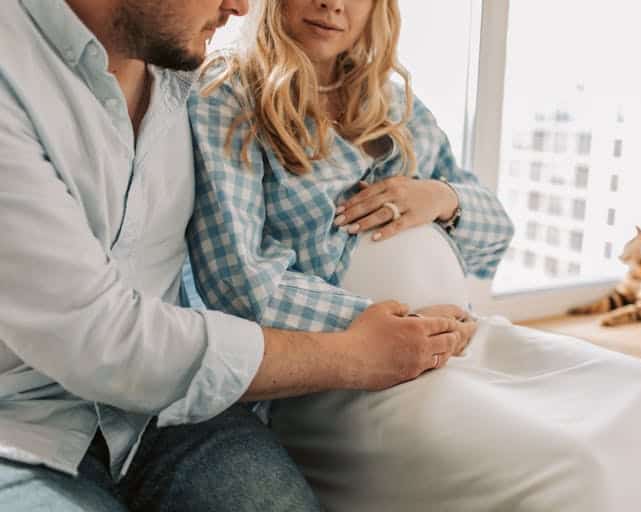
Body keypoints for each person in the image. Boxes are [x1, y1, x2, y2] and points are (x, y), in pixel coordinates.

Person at [187, 0, 641, 510]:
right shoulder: (228, 96)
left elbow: (495, 231)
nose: (333, 4)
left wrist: (441, 197)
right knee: (574, 462)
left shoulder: (391, 101)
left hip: (465, 342)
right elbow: (240, 284)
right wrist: (400, 328)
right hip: (343, 375)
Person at [0, 1, 473, 511]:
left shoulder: (181, 74)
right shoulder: (14, 73)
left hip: (167, 417)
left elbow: (484, 222)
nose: (241, 5)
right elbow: (101, 337)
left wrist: (443, 201)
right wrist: (359, 352)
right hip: (21, 425)